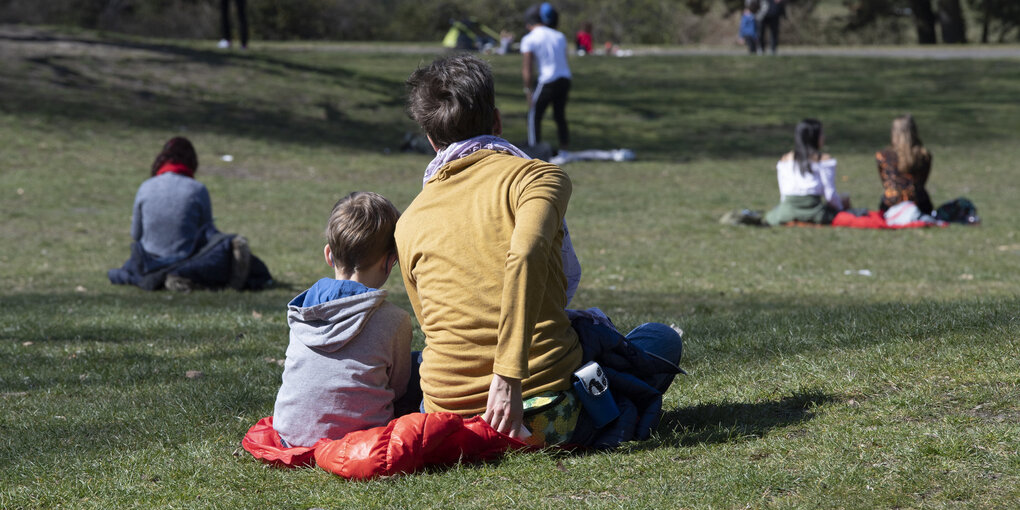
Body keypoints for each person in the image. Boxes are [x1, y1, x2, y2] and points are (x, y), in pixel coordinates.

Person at [398, 54, 684, 448]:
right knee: (660, 339)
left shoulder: (409, 219)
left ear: (431, 140)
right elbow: (527, 254)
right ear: (497, 121)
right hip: (544, 413)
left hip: (447, 418)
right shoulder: (537, 177)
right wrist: (508, 373)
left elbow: (432, 323)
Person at [272, 192, 413, 448]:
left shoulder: (302, 310)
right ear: (390, 261)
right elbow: (399, 388)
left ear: (329, 254)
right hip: (362, 442)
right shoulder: (395, 320)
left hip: (291, 435)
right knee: (420, 365)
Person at [108, 137, 271, 291]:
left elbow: (135, 234)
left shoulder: (145, 187)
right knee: (224, 244)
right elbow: (207, 233)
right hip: (187, 258)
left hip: (148, 261)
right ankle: (182, 275)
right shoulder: (197, 189)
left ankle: (170, 276)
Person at [764, 119, 849, 226]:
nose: (824, 137)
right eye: (821, 133)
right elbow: (830, 194)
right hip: (815, 212)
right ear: (813, 136)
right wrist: (842, 208)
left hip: (787, 211)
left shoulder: (784, 160)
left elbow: (783, 193)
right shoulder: (824, 160)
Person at [522, 3, 572, 151]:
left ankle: (534, 149)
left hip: (547, 80)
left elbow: (527, 68)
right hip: (565, 79)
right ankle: (564, 148)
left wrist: (527, 89)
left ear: (529, 23)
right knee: (559, 115)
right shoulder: (559, 36)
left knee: (534, 115)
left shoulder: (529, 38)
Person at [876, 114, 933, 215]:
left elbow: (886, 183)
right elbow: (922, 183)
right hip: (919, 205)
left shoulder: (883, 156)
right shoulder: (924, 155)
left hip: (890, 205)